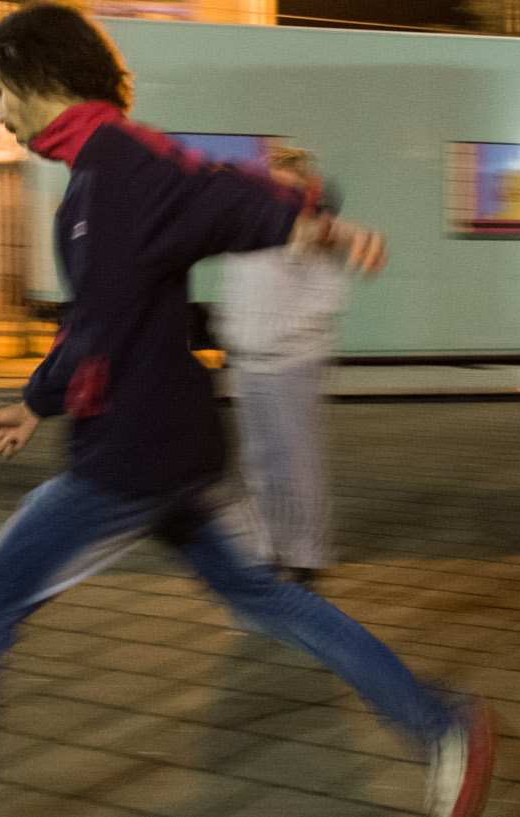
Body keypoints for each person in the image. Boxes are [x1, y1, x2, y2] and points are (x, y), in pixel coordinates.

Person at [0, 5, 496, 817]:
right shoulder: (91, 180)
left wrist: (316, 226)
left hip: (130, 455)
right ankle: (443, 725)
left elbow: (218, 189)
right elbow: (98, 319)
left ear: (36, 77)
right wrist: (33, 402)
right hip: (163, 446)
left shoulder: (121, 162)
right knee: (265, 598)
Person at [215, 146, 359, 588]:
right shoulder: (249, 226)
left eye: (283, 180)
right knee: (260, 460)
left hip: (293, 358)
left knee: (297, 460)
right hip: (249, 358)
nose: (273, 189)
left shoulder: (314, 226)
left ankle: (306, 556)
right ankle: (269, 544)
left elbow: (330, 241)